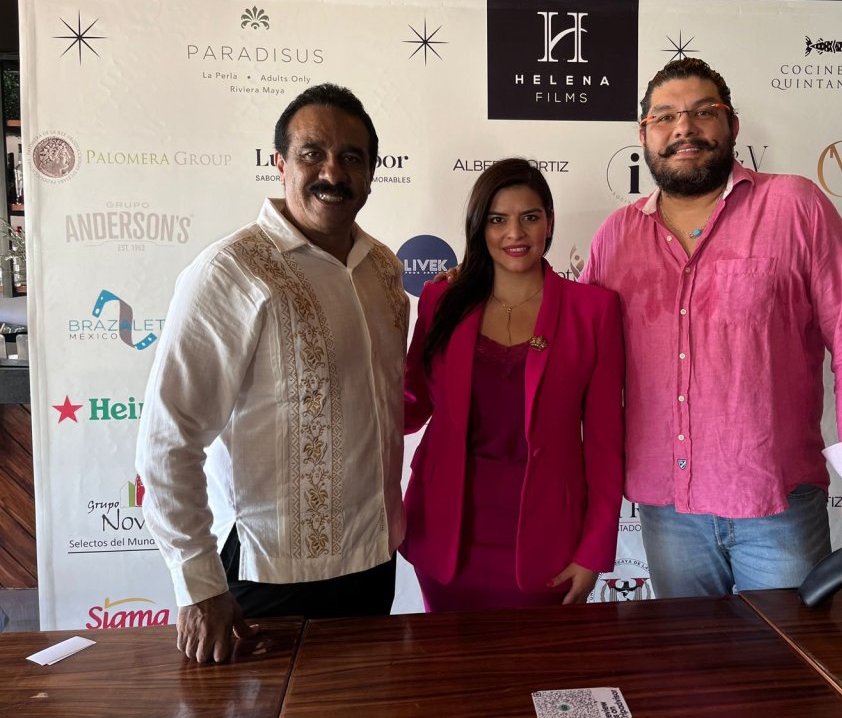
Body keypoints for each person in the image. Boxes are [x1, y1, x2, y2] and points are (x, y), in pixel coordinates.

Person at [579, 57, 842, 598]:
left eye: (703, 111)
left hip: (777, 505)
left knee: (787, 651)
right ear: (643, 135)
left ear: (732, 125)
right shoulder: (616, 237)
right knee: (690, 653)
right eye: (665, 117)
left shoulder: (795, 206)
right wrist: (482, 287)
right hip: (668, 511)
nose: (684, 127)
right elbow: (573, 342)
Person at [135, 83, 408, 663]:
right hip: (268, 575)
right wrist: (198, 586)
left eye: (352, 157)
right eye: (313, 154)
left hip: (372, 562)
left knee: (365, 702)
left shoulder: (384, 269)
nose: (332, 172)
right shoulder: (230, 272)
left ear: (371, 173)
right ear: (280, 164)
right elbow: (168, 438)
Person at [402, 157, 625, 611]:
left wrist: (594, 550)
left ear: (549, 222)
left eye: (530, 217)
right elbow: (411, 403)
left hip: (549, 538)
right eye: (497, 220)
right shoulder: (441, 300)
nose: (515, 233)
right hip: (446, 532)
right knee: (445, 655)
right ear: (479, 227)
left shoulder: (593, 311)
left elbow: (605, 444)